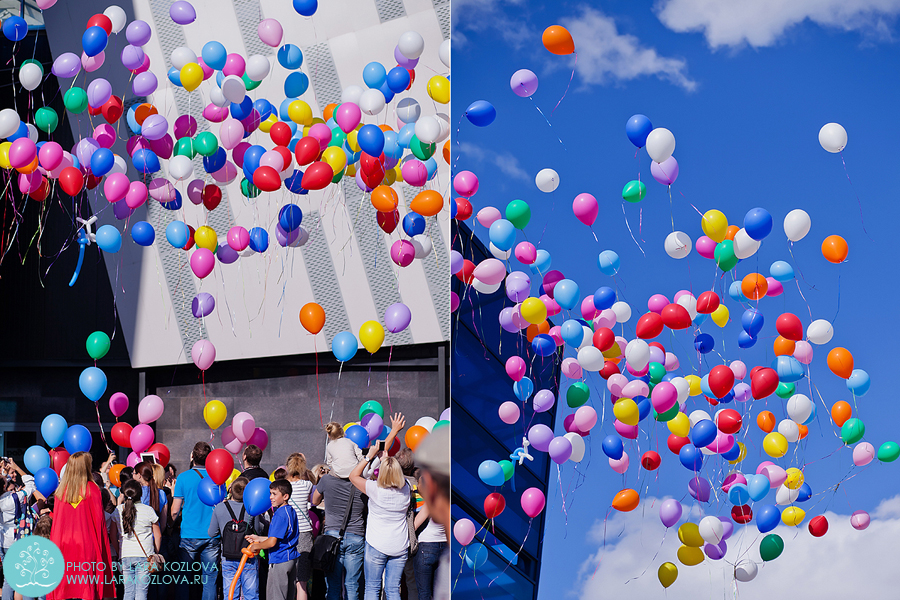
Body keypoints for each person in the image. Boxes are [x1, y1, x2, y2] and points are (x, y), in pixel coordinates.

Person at [349, 415, 409, 600]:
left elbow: (353, 476)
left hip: (377, 545)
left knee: (372, 588)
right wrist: (394, 433)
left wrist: (369, 456)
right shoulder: (406, 488)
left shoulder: (375, 489)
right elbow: (391, 470)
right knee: (392, 590)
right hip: (399, 547)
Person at [49, 451, 116, 600]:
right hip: (86, 544)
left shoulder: (60, 492)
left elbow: (57, 524)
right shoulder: (93, 490)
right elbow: (99, 524)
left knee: (65, 586)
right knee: (87, 587)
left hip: (63, 544)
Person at [171, 442, 219, 600]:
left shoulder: (183, 478)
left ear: (192, 456)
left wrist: (170, 526)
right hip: (212, 535)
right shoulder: (218, 477)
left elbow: (175, 510)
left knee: (183, 578)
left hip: (189, 535)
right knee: (209, 579)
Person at [208, 477, 263, 600]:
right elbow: (258, 532)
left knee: (230, 593)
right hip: (248, 556)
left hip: (228, 556)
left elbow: (211, 533)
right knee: (251, 594)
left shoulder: (220, 508)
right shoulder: (252, 508)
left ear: (230, 490)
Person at [246, 480, 299, 600]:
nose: (271, 497)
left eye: (274, 494)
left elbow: (272, 542)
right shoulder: (290, 511)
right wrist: (258, 538)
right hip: (291, 558)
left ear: (285, 496)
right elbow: (280, 537)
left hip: (280, 560)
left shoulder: (280, 514)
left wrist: (256, 546)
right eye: (270, 493)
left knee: (276, 596)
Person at [413, 427, 449, 600]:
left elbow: (415, 525)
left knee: (424, 594)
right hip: (444, 546)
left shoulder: (432, 502)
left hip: (427, 546)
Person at [117, 480, 162, 600]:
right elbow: (158, 535)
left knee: (128, 592)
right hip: (145, 555)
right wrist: (155, 553)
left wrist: (119, 552)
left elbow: (113, 535)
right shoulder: (148, 510)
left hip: (126, 554)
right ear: (141, 493)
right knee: (141, 592)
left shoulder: (118, 510)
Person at [0, 458, 35, 600]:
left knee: (8, 580)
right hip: (17, 541)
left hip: (3, 543)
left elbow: (4, 481)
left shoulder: (4, 499)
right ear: (4, 486)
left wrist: (4, 469)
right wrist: (17, 467)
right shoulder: (14, 498)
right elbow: (31, 484)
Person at [285, 454, 314, 600]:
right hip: (304, 533)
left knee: (287, 574)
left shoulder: (283, 486)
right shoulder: (307, 485)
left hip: (288, 532)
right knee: (301, 580)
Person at [134, 463, 167, 532]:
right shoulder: (161, 493)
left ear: (139, 475)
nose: (132, 475)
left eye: (134, 473)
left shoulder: (136, 492)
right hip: (155, 534)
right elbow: (163, 522)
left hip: (139, 533)